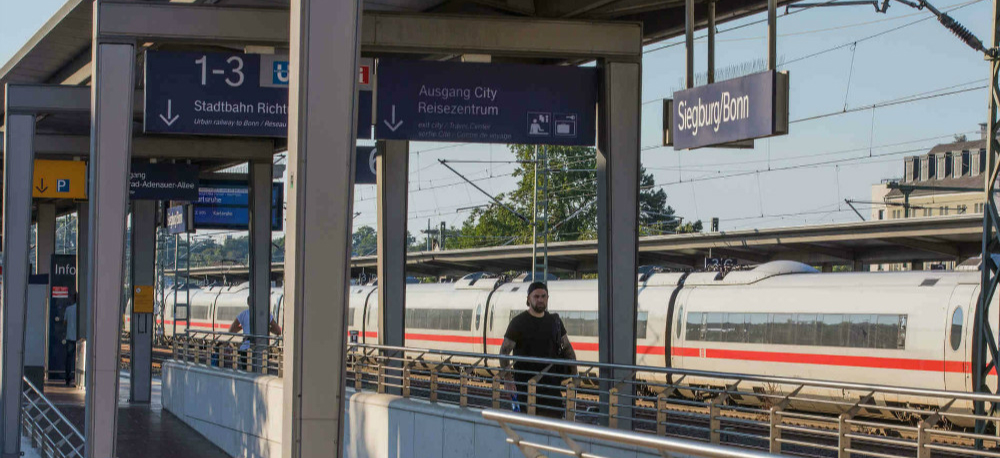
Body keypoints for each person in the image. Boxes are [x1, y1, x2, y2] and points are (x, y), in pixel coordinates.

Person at [499, 281, 577, 418]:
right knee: (528, 427)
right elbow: (504, 351)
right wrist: (508, 379)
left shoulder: (555, 322)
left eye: (543, 296)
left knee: (554, 427)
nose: (540, 299)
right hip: (526, 388)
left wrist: (575, 374)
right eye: (536, 296)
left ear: (547, 298)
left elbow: (567, 347)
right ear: (528, 299)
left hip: (552, 388)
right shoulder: (518, 322)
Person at [228, 296, 282, 369]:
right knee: (261, 373)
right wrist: (266, 328)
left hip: (245, 349)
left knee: (247, 373)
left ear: (248, 303)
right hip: (261, 349)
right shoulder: (266, 314)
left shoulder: (243, 314)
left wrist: (243, 326)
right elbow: (278, 331)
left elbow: (231, 330)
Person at [63, 294, 78, 387]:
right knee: (80, 359)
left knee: (69, 359)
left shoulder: (68, 309)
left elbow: (64, 322)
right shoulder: (81, 310)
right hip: (80, 338)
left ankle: (68, 378)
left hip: (70, 337)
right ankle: (79, 378)